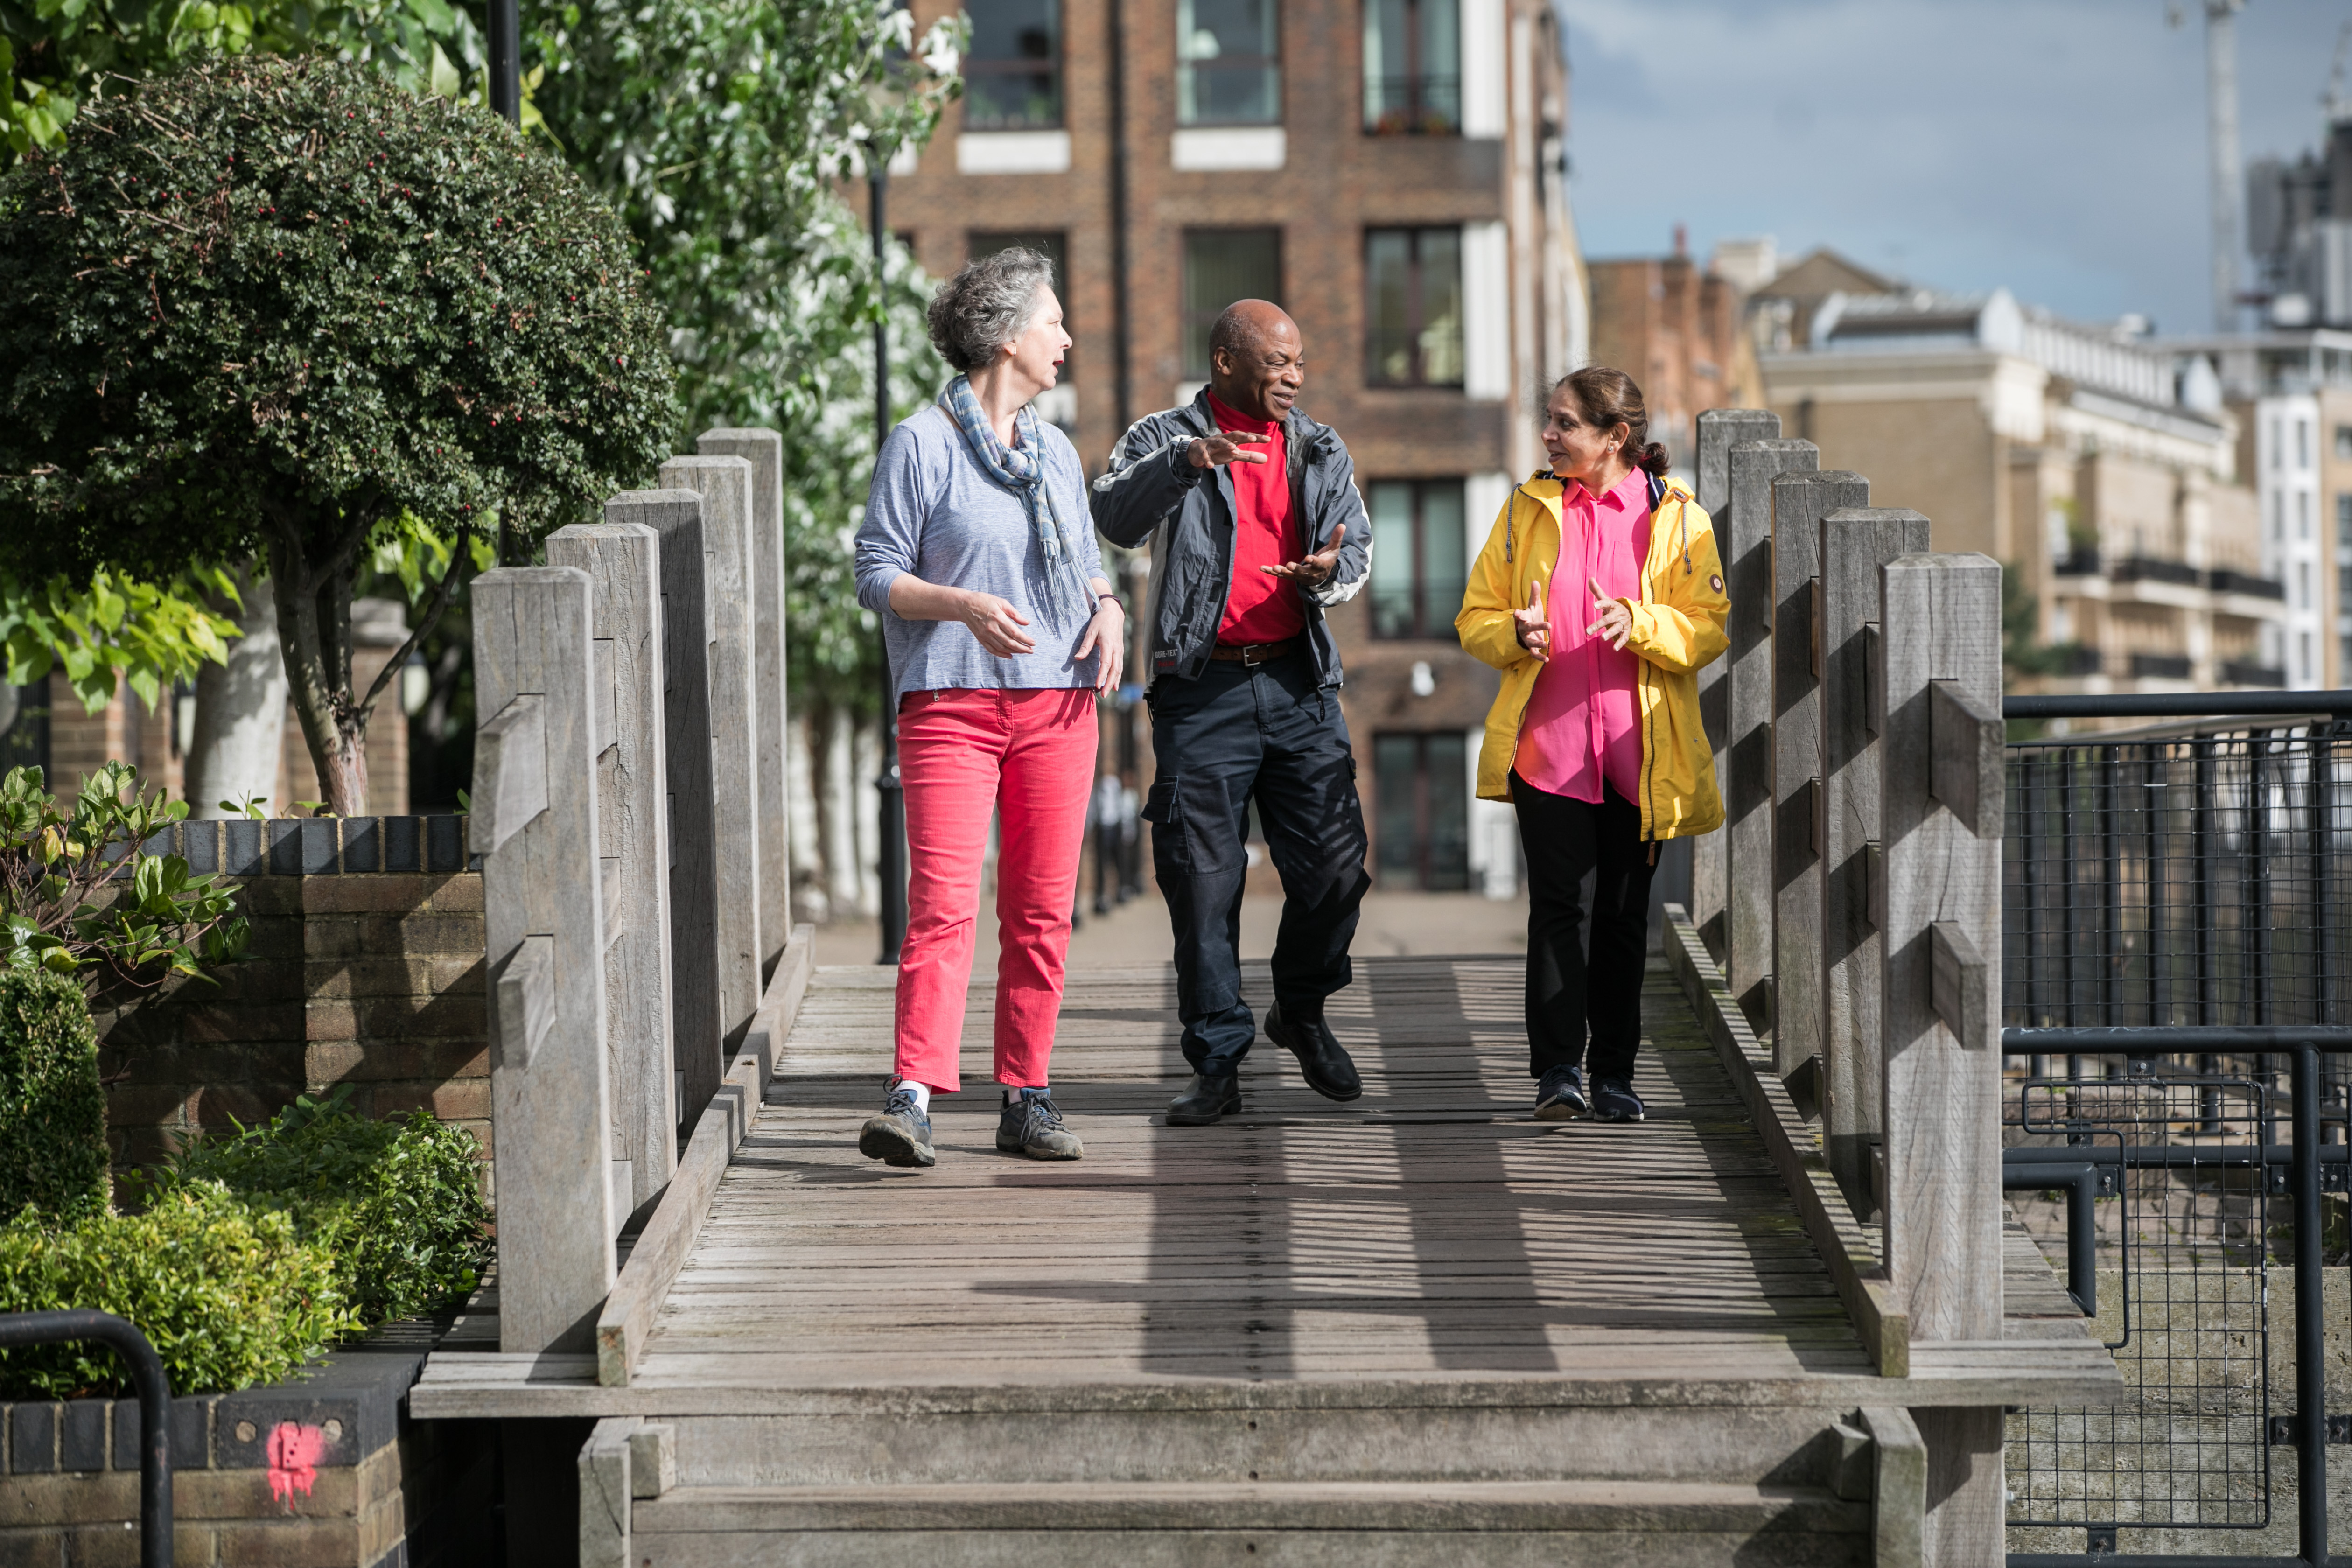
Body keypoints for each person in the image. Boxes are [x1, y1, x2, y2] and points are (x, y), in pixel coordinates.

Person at [851, 247, 1126, 1169]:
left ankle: (1026, 1096)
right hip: (951, 704)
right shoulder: (919, 445)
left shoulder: (1054, 451)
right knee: (943, 905)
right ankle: (913, 1096)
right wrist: (962, 603)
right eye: (1054, 322)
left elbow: (1087, 562)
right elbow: (877, 573)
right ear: (1008, 338)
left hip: (1058, 706)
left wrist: (1110, 604)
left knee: (1041, 911)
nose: (1068, 339)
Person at [1090, 300, 1373, 1126]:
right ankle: (1217, 1062)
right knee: (1203, 886)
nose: (1293, 377)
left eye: (1300, 363)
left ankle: (1302, 1007)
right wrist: (1184, 463)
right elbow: (1111, 515)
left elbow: (1356, 548)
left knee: (1335, 868)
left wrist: (1328, 571)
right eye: (1277, 362)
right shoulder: (1160, 436)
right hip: (1201, 690)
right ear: (1224, 362)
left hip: (1298, 684)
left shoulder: (1319, 445)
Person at [1456, 367, 1728, 1124]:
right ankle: (1556, 1075)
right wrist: (1513, 631)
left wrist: (1641, 624)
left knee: (1621, 917)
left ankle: (1614, 1075)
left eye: (1564, 423)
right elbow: (1475, 617)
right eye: (1549, 419)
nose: (1549, 434)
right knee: (1556, 911)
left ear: (1616, 436)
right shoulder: (1524, 508)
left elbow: (1708, 627)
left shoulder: (1679, 517)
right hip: (1548, 749)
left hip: (1643, 756)